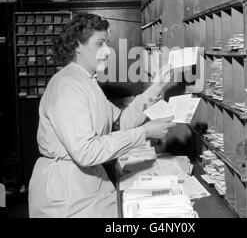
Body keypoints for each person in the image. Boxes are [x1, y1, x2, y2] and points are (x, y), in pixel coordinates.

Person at [28, 13, 176, 218]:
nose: (108, 51)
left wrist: (154, 89)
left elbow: (121, 122)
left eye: (107, 43)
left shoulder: (86, 81)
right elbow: (85, 151)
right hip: (67, 194)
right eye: (100, 44)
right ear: (77, 46)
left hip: (84, 185)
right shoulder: (68, 85)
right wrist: (144, 133)